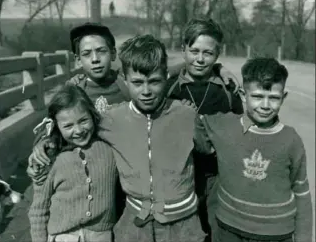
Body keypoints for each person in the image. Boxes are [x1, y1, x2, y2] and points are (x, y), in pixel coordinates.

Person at [29, 34, 207, 242]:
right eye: (137, 82)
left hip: (183, 225)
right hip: (135, 225)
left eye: (155, 81)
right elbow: (76, 128)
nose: (146, 91)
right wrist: (45, 142)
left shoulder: (186, 115)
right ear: (125, 78)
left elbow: (209, 149)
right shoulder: (111, 119)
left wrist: (220, 72)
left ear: (167, 76)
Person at [194, 58, 313, 242]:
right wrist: (219, 68)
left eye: (274, 98)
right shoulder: (224, 125)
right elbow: (196, 124)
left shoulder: (291, 140)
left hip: (275, 235)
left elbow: (301, 192)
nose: (265, 106)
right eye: (257, 96)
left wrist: (303, 237)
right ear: (243, 95)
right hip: (227, 229)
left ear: (284, 97)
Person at [166, 17, 243, 241]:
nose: (200, 59)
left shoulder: (227, 92)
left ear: (217, 55)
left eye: (208, 53)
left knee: (217, 230)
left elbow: (239, 136)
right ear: (183, 50)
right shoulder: (169, 89)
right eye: (194, 51)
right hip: (179, 179)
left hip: (217, 179)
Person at [28, 85, 118, 242]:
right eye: (68, 126)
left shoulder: (109, 149)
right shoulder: (50, 158)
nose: (78, 130)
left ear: (93, 115)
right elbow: (38, 210)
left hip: (101, 236)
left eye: (83, 120)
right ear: (56, 126)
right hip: (62, 237)